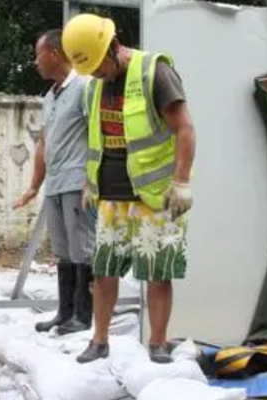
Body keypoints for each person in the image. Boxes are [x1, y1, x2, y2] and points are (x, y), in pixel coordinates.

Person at [61, 13, 196, 363]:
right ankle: (99, 340)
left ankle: (158, 342)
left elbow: (184, 128)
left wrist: (182, 180)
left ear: (114, 46)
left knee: (158, 271)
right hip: (110, 196)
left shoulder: (155, 72)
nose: (96, 75)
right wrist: (89, 183)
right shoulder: (93, 85)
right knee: (104, 271)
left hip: (157, 195)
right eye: (89, 70)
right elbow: (96, 138)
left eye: (99, 67)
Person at [14, 29, 95, 335]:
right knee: (62, 250)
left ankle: (83, 316)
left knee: (81, 249)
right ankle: (65, 311)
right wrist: (34, 186)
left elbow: (98, 133)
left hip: (78, 182)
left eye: (38, 55)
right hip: (56, 183)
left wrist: (92, 179)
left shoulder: (85, 88)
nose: (35, 62)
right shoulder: (49, 97)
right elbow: (43, 145)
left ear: (54, 54)